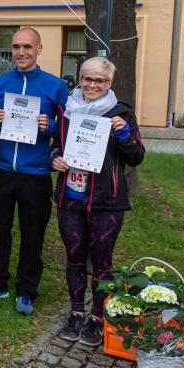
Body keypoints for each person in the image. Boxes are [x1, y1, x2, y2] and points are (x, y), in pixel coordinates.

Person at [51, 57, 145, 345]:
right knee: (74, 257)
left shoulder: (121, 113)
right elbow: (56, 144)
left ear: (109, 83)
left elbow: (136, 156)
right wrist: (55, 158)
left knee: (102, 262)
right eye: (87, 79)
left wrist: (124, 135)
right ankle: (76, 312)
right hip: (71, 197)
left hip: (106, 201)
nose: (92, 84)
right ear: (80, 79)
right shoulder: (66, 110)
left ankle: (97, 317)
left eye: (99, 80)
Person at [0, 27, 69, 315]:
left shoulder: (56, 86)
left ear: (39, 49)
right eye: (16, 47)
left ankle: (27, 290)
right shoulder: (1, 82)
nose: (21, 52)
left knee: (33, 233)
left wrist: (49, 126)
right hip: (1, 168)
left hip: (36, 173)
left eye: (27, 47)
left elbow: (67, 130)